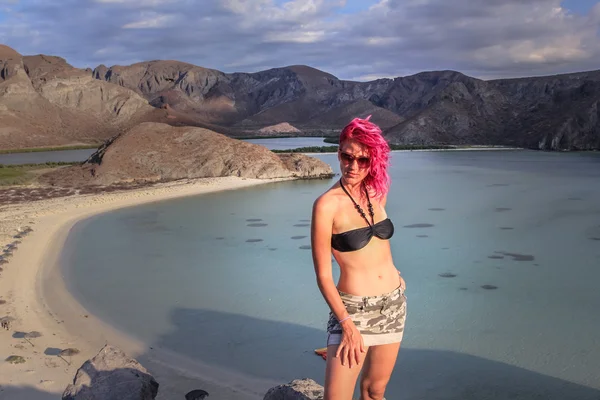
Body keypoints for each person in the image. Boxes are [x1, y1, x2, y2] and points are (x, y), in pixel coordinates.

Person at [311, 116, 407, 400]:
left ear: (374, 161)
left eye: (363, 160)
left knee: (375, 391)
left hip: (393, 304)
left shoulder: (378, 192)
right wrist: (347, 325)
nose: (354, 166)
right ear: (338, 152)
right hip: (352, 310)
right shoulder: (326, 206)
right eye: (347, 156)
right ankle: (333, 346)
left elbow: (377, 246)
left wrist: (396, 275)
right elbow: (323, 276)